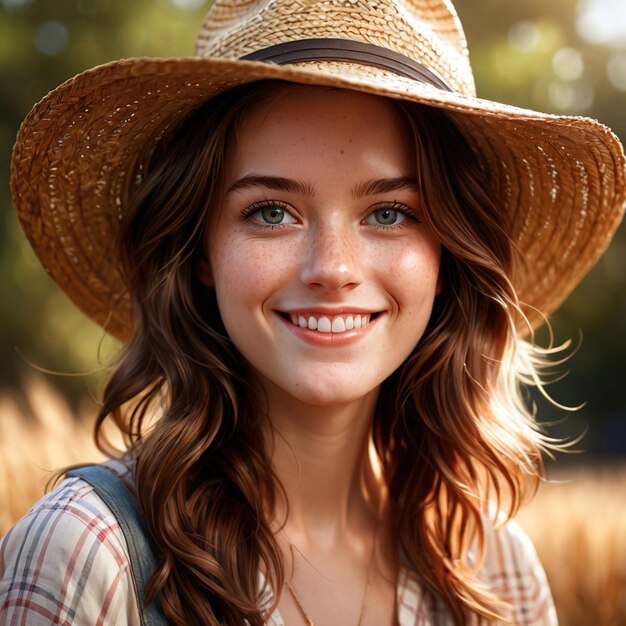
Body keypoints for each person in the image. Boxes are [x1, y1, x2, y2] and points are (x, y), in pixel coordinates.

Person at [1, 0, 624, 624]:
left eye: (389, 213)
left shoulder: (496, 574)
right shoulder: (88, 551)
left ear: (448, 259)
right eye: (271, 211)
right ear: (201, 253)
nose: (333, 267)